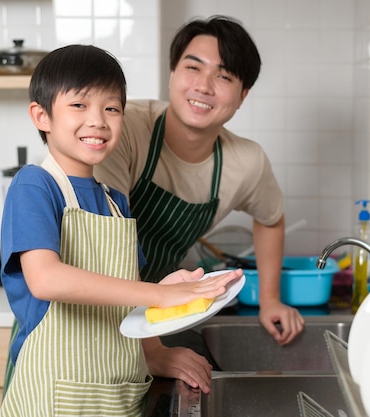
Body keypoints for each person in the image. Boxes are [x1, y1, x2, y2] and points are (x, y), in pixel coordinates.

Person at [0, 44, 242, 416]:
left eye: (111, 108)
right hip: (55, 397)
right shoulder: (35, 185)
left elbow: (122, 296)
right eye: (79, 105)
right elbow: (46, 279)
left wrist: (158, 321)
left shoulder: (115, 201)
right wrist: (156, 297)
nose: (98, 120)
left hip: (116, 395)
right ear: (41, 116)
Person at [94, 15, 305, 388]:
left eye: (223, 77)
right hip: (88, 304)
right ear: (173, 73)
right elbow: (104, 245)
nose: (204, 86)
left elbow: (270, 218)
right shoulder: (124, 129)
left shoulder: (246, 162)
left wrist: (270, 299)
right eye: (193, 67)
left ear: (243, 96)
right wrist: (153, 350)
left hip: (154, 312)